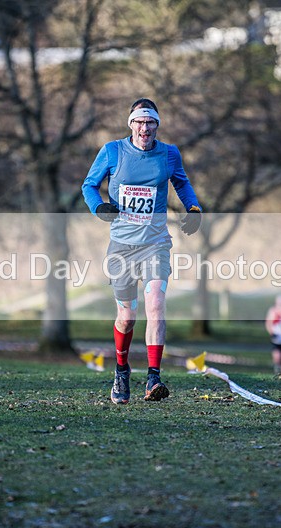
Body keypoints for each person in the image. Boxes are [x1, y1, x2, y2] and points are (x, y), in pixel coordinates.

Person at [81, 97, 202, 405]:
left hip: (156, 243)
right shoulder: (112, 151)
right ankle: (121, 372)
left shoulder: (169, 154)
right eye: (140, 122)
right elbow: (89, 186)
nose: (145, 128)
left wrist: (193, 207)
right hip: (122, 245)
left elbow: (182, 183)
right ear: (130, 124)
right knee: (127, 316)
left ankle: (153, 377)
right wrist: (99, 208)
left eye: (150, 123)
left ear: (157, 125)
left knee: (157, 305)